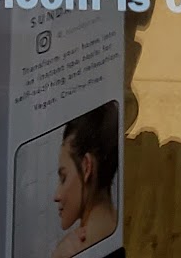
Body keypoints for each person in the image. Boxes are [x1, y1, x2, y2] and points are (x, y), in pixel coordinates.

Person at [50, 102, 119, 256]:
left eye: (63, 178)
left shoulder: (72, 251)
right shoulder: (128, 227)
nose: (56, 196)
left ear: (86, 167)